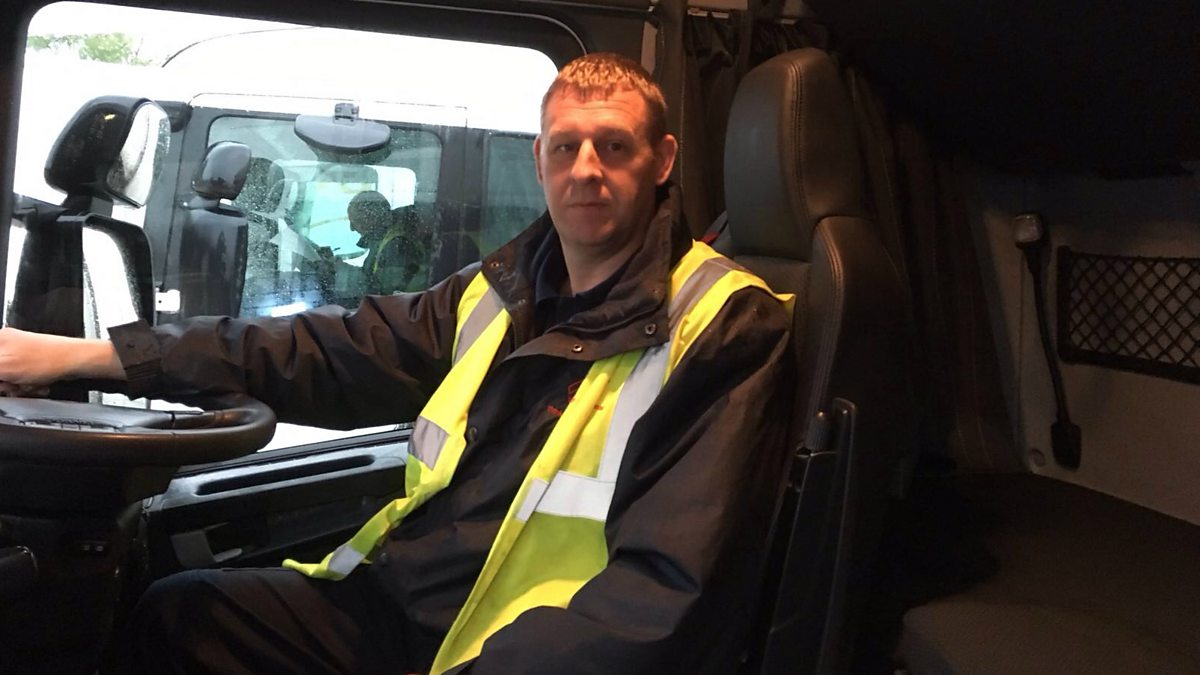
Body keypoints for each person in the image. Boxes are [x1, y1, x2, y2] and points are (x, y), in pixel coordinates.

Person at [0, 53, 795, 674]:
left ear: (661, 160)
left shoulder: (722, 324)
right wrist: (90, 355)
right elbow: (318, 350)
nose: (586, 167)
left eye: (613, 146)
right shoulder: (500, 291)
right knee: (181, 618)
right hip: (404, 605)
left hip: (507, 648)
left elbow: (659, 598)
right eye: (566, 146)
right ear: (541, 161)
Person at [343, 189, 433, 294]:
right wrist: (339, 267)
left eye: (356, 221)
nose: (352, 228)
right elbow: (370, 276)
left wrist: (341, 272)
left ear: (372, 217)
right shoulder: (381, 240)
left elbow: (384, 292)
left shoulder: (396, 244)